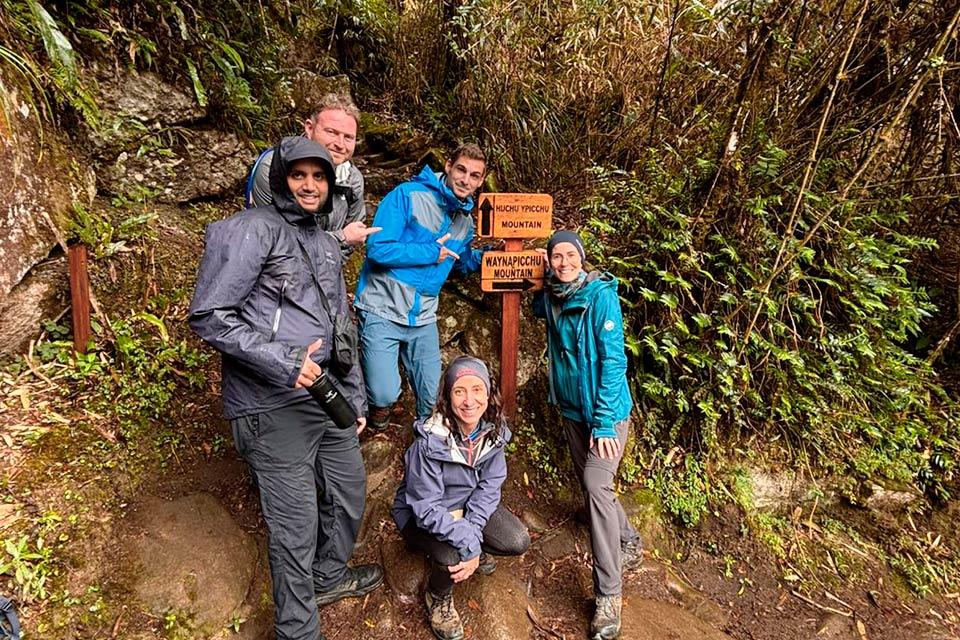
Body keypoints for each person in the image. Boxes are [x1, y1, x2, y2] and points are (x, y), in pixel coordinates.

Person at [189, 137, 382, 640]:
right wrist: (283, 360)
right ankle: (298, 630)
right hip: (270, 405)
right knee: (294, 528)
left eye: (320, 177)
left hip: (326, 392)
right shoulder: (250, 230)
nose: (310, 185)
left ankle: (328, 577)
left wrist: (355, 395)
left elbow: (341, 322)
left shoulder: (322, 239)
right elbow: (210, 316)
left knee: (348, 493)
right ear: (280, 179)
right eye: (300, 175)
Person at [533, 230, 643, 640]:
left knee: (596, 484)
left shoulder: (600, 297)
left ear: (581, 257)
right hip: (572, 412)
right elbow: (538, 311)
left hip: (605, 415)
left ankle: (609, 595)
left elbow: (614, 361)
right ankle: (629, 539)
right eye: (556, 257)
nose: (564, 263)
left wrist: (602, 421)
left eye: (569, 255)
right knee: (594, 486)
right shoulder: (553, 298)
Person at [393, 356, 530, 640]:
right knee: (452, 554)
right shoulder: (430, 441)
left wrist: (473, 528)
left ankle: (472, 551)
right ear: (447, 396)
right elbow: (426, 509)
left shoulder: (492, 432)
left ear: (489, 394)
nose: (469, 401)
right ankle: (438, 596)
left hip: (466, 507)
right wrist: (469, 542)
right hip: (422, 514)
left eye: (477, 390)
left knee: (517, 541)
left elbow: (490, 485)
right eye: (459, 391)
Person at [354, 143, 488, 431]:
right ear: (449, 166)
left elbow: (461, 262)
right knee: (385, 392)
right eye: (461, 170)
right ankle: (379, 411)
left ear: (480, 181)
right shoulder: (407, 195)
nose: (466, 180)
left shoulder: (465, 223)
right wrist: (430, 252)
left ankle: (426, 445)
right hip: (382, 305)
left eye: (474, 176)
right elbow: (378, 249)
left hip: (423, 314)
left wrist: (494, 258)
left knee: (431, 397)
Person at [246, 93, 371, 253]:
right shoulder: (274, 168)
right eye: (331, 132)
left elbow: (349, 243)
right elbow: (271, 239)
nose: (340, 144)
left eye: (348, 137)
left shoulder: (353, 180)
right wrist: (341, 238)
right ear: (309, 128)